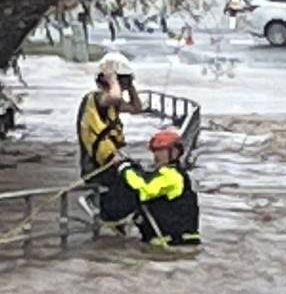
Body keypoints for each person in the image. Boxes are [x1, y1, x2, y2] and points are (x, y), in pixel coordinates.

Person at [76, 52, 142, 224]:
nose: (122, 85)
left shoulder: (113, 104)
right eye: (121, 80)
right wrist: (112, 78)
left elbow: (136, 108)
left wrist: (131, 87)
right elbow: (114, 96)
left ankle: (115, 217)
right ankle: (97, 204)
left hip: (110, 160)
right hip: (95, 165)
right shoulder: (97, 98)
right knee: (128, 182)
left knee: (138, 178)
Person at [116, 129, 200, 247]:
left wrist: (125, 170)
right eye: (155, 151)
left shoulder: (172, 176)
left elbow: (144, 191)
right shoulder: (167, 174)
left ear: (174, 152)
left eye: (161, 151)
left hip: (174, 246)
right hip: (170, 244)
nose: (156, 156)